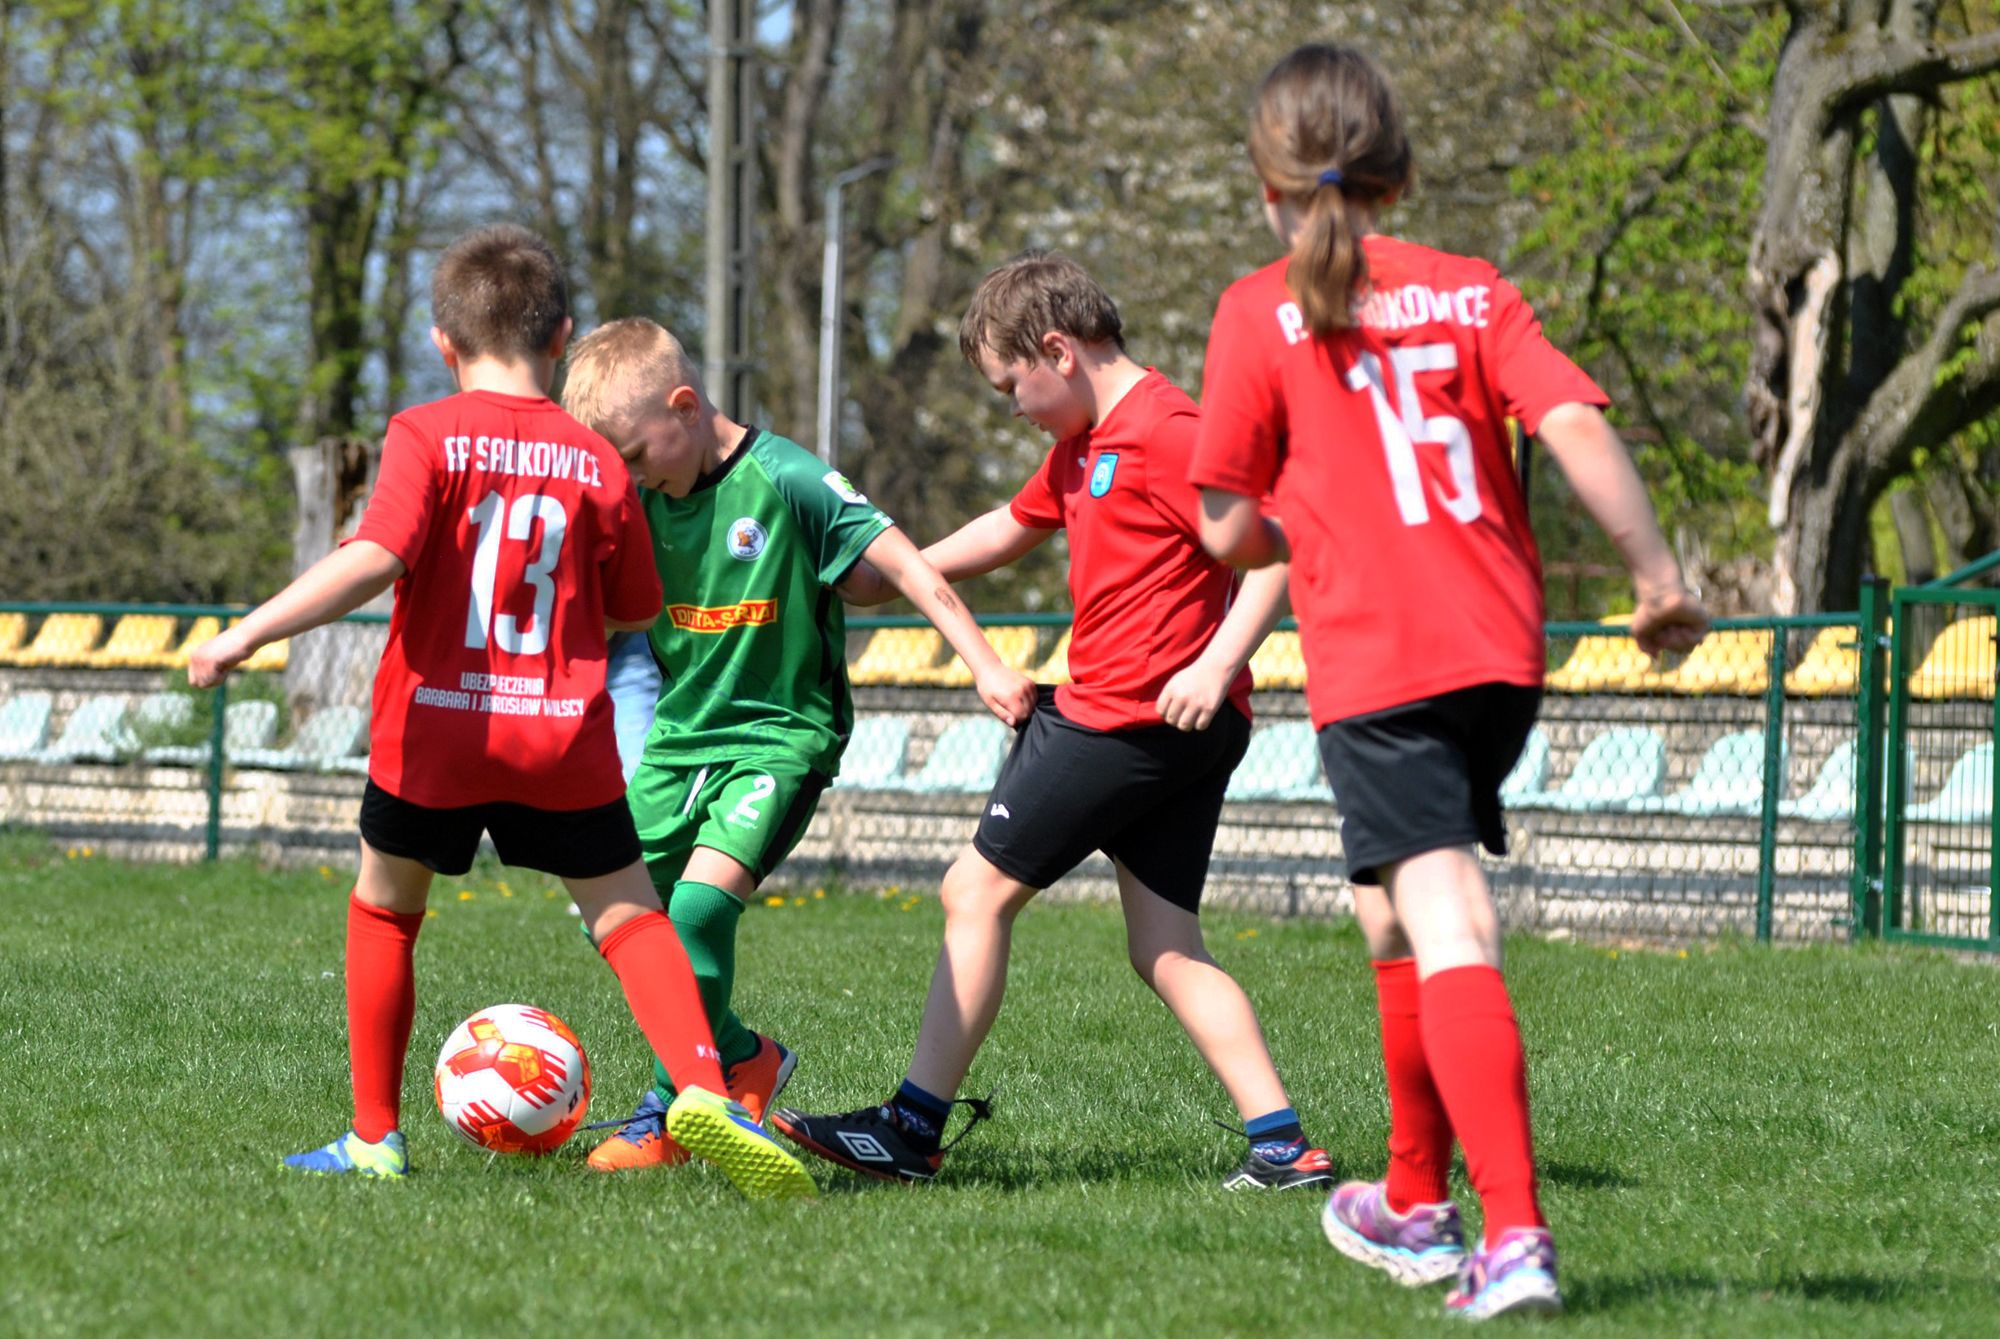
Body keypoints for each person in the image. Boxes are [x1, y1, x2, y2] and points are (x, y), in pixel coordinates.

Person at [1190, 45, 1710, 1320]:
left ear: (1266, 186)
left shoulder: (1257, 309)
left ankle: (1514, 1235)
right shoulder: (1473, 293)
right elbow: (1576, 424)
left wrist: (1301, 521)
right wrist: (1653, 576)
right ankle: (1410, 1197)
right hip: (1496, 656)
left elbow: (1219, 529)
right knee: (1388, 916)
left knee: (1446, 925)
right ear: (1398, 174)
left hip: (1383, 660)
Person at [189, 225, 814, 1200]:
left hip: (435, 729)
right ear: (562, 336)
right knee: (629, 916)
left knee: (386, 909)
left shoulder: (423, 434)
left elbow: (373, 556)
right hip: (557, 734)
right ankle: (702, 1084)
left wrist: (246, 633)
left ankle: (373, 1138)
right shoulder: (597, 457)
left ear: (444, 344)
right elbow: (639, 610)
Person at [770, 252, 1332, 1191]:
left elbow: (1274, 550)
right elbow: (1012, 522)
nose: (1014, 408)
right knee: (1165, 946)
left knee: (973, 894)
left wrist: (1219, 661)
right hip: (1172, 727)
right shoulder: (1084, 445)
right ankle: (1282, 1144)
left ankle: (912, 1127)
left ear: (1059, 351)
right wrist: (896, 570)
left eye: (1010, 386)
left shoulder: (1167, 429)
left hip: (1126, 720)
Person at [558, 316, 1038, 1172]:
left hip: (780, 738)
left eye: (636, 453)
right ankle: (743, 1056)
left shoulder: (790, 479)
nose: (629, 476)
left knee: (700, 910)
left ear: (686, 405)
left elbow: (910, 568)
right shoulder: (638, 499)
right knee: (626, 923)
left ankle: (673, 1104)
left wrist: (987, 665)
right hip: (678, 741)